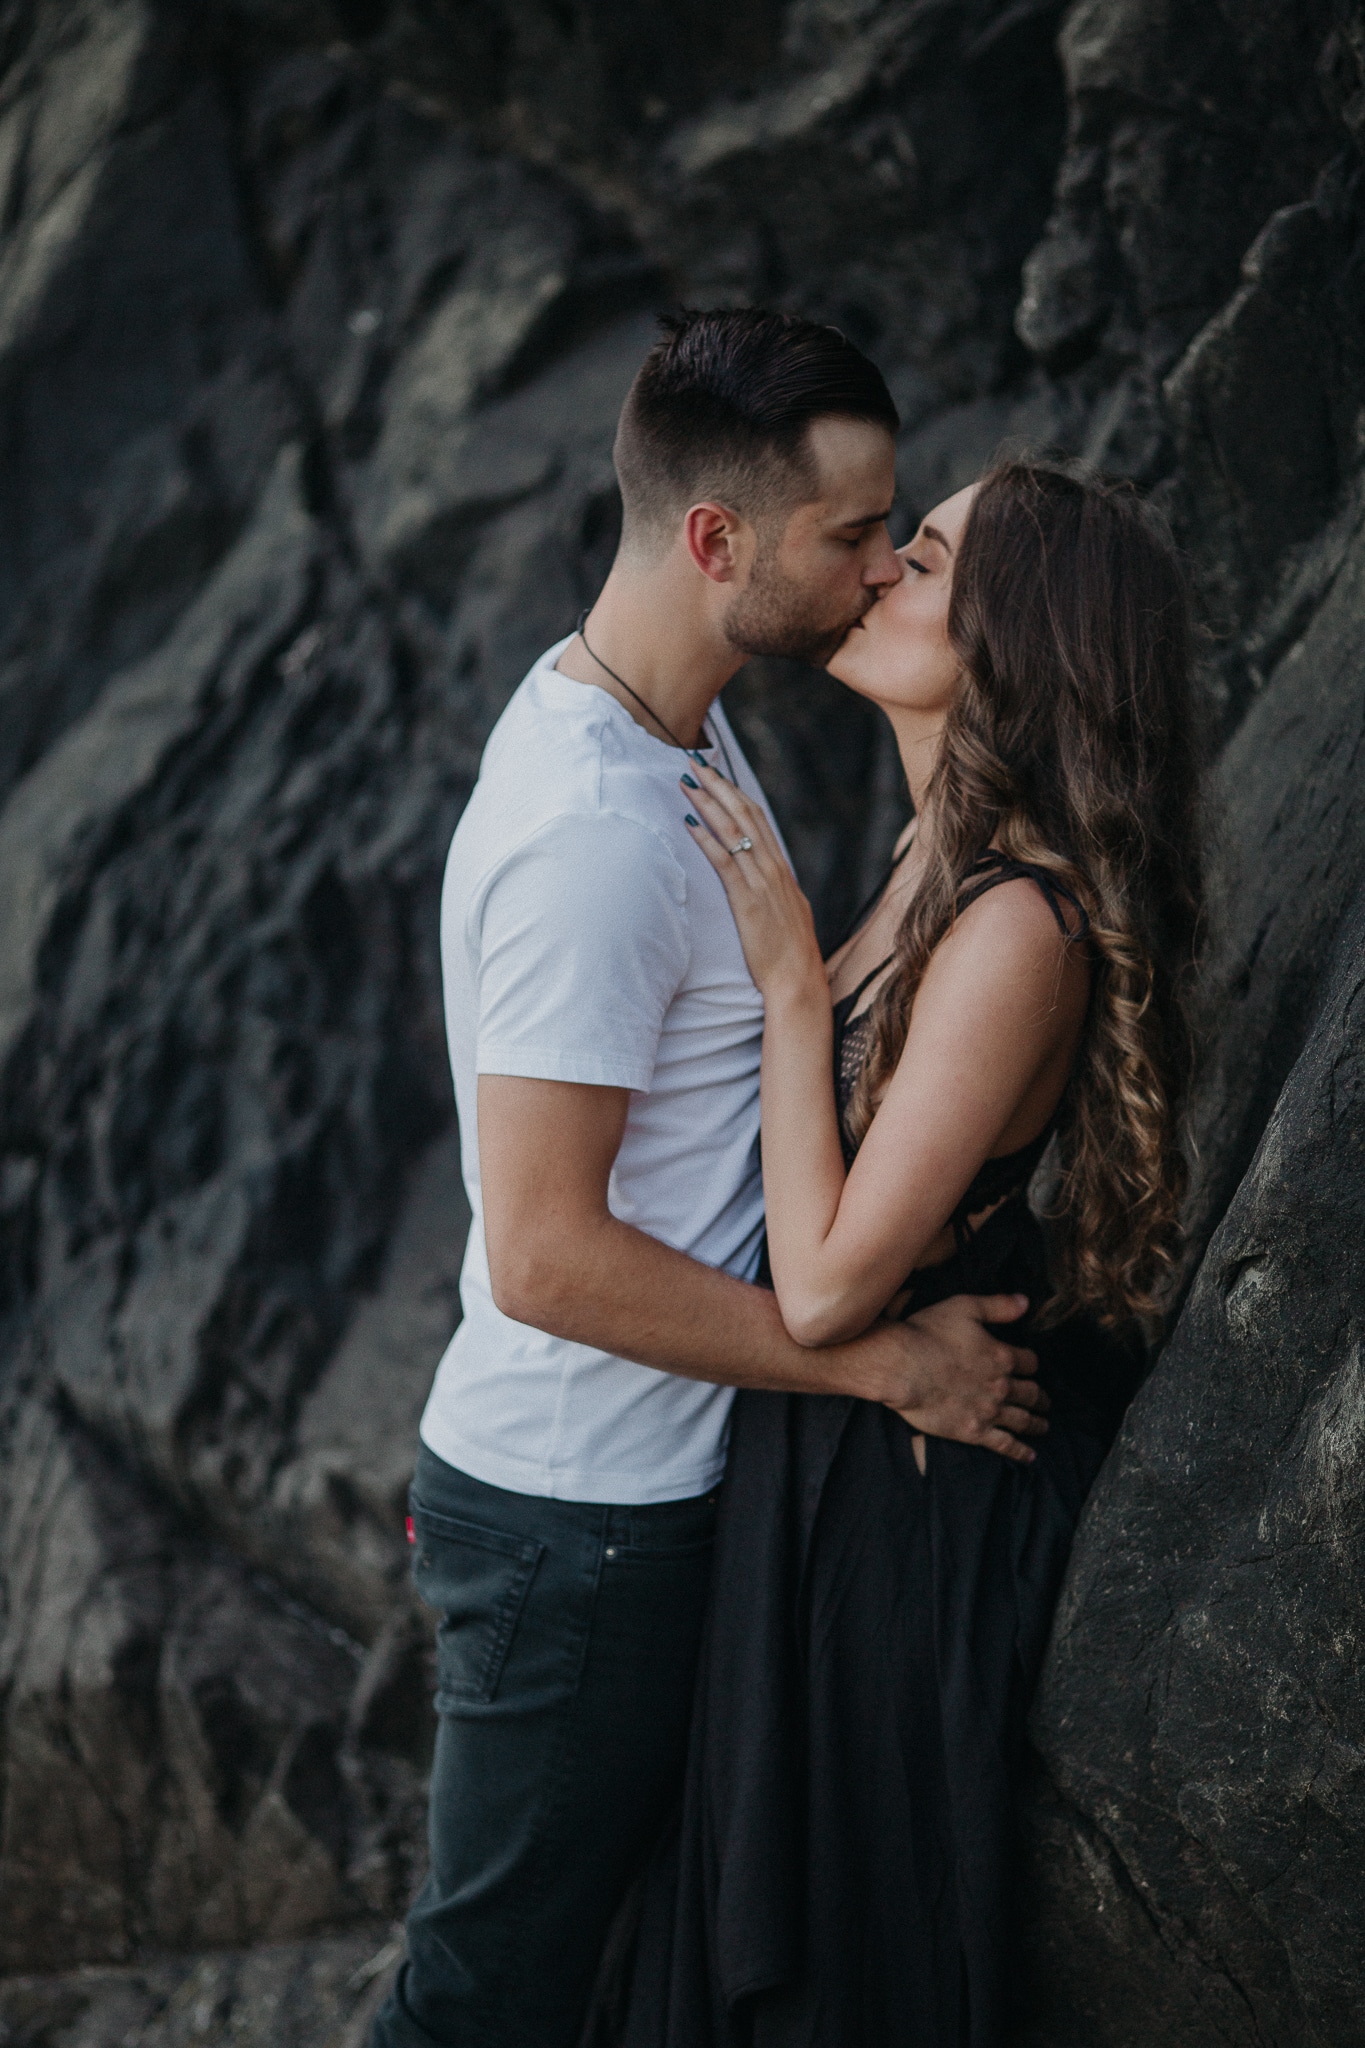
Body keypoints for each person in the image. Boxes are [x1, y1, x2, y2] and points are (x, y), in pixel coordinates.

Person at [369, 313, 1051, 2048]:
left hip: (648, 1497)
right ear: (712, 541)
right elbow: (540, 1257)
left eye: (900, 531)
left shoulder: (670, 725)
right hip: (575, 1523)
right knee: (483, 2000)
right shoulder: (595, 833)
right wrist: (879, 1358)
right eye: (851, 536)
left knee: (609, 1975)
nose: (884, 565)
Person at [619, 458, 1203, 2048]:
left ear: (1015, 640)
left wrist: (792, 990)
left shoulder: (1018, 927)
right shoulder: (915, 871)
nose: (876, 576)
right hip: (826, 1454)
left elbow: (822, 1285)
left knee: (834, 1975)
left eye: (923, 560)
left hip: (903, 1517)